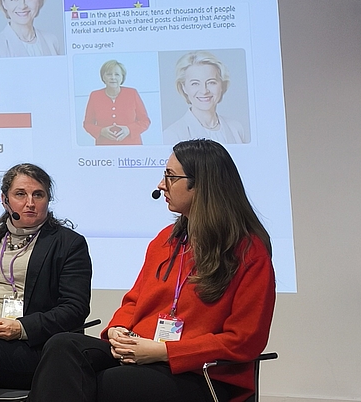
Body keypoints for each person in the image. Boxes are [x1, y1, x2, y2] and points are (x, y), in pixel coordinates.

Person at [27, 139, 275, 402]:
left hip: (199, 373)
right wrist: (118, 329)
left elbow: (244, 340)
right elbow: (134, 302)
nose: (160, 185)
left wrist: (164, 352)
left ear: (202, 184)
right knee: (63, 345)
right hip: (141, 354)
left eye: (170, 177)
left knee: (101, 383)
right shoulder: (165, 240)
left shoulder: (248, 252)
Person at [0, 163, 91, 389]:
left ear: (48, 200)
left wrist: (21, 328)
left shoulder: (68, 243)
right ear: (5, 200)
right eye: (20, 194)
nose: (30, 202)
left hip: (30, 345)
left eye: (38, 195)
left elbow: (74, 308)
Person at [162, 52, 250, 144]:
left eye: (211, 82)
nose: (204, 91)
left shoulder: (236, 128)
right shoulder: (172, 135)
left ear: (222, 85)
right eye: (195, 83)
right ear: (183, 87)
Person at [83, 60, 151, 145]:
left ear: (122, 77)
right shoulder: (95, 96)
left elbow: (145, 121)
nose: (113, 77)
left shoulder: (132, 93)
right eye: (109, 74)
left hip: (132, 147)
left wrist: (129, 129)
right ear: (103, 77)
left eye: (117, 74)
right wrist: (101, 131)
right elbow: (88, 124)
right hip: (105, 147)